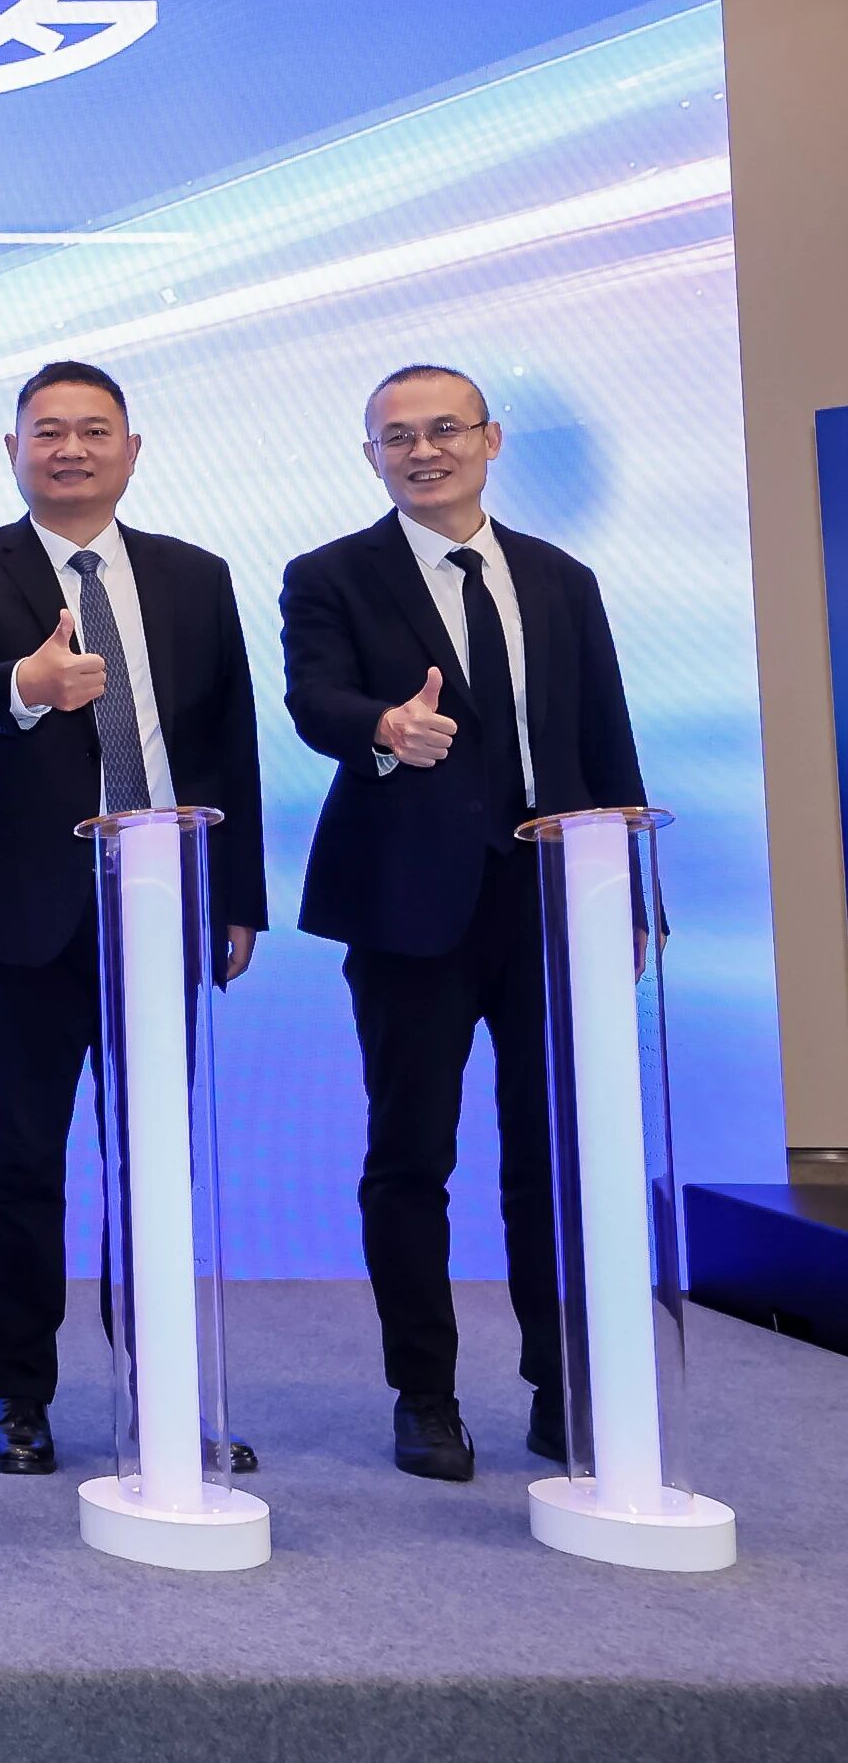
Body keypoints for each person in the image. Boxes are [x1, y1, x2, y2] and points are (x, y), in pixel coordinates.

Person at [281, 363, 643, 1482]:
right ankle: (425, 1394)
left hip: (552, 899)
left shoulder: (562, 577)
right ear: (372, 457)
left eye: (445, 429)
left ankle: (560, 1382)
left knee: (551, 1154)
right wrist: (385, 727)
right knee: (411, 1156)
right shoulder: (330, 574)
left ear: (491, 439)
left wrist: (629, 896)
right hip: (406, 907)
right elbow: (314, 700)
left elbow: (606, 736)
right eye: (398, 436)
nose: (423, 450)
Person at [0, 360, 265, 1476]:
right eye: (49, 431)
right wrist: (26, 684)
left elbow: (232, 742)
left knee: (154, 1160)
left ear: (131, 448)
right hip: (21, 910)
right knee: (16, 1162)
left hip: (162, 900)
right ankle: (19, 1393)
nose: (71, 448)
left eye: (94, 430)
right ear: (12, 449)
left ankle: (161, 1389)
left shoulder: (196, 576)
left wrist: (236, 895)